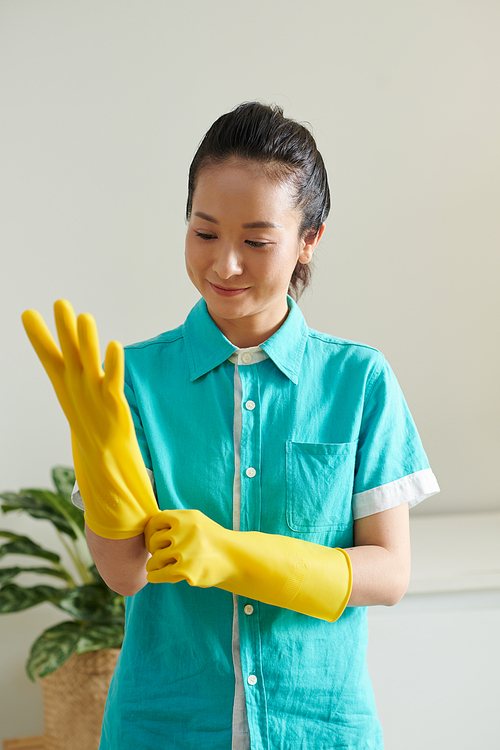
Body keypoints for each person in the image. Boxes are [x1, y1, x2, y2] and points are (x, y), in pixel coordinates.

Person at [22, 102, 440, 750]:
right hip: (163, 726)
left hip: (319, 727)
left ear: (309, 240)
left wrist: (230, 555)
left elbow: (388, 574)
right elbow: (124, 573)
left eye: (256, 240)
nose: (225, 264)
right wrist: (98, 443)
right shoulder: (130, 380)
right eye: (205, 231)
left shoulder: (359, 382)